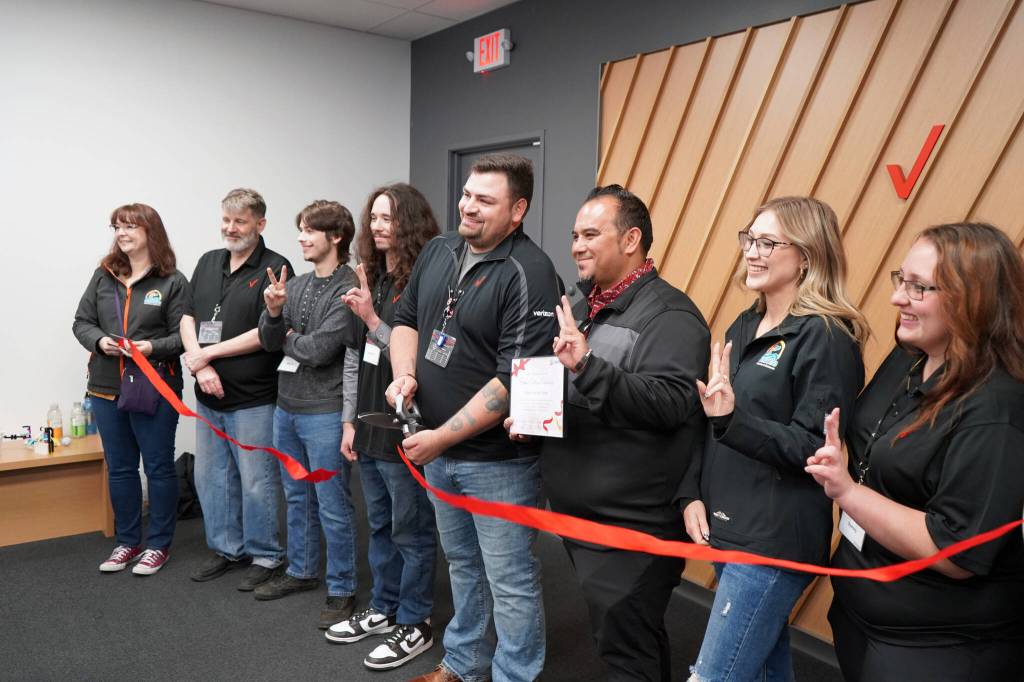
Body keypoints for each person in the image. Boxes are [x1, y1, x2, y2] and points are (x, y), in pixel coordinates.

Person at [806, 222, 1024, 681]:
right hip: (861, 610)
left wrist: (847, 491)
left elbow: (957, 552)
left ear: (972, 299)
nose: (897, 298)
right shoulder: (911, 355)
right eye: (900, 280)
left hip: (935, 643)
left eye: (919, 287)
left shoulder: (996, 406)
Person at [388, 153, 562, 682]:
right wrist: (403, 374)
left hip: (499, 463)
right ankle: (463, 662)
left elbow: (514, 381)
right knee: (463, 567)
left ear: (518, 210)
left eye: (485, 200)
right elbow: (406, 319)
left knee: (509, 579)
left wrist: (440, 438)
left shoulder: (530, 273)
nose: (468, 206)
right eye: (467, 194)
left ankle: (514, 674)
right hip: (440, 453)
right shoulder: (440, 249)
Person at [679, 196, 867, 682]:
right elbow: (712, 419)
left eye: (768, 242)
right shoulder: (745, 324)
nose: (752, 252)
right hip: (731, 525)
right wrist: (692, 494)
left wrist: (731, 420)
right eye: (750, 239)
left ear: (807, 255)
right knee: (761, 670)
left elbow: (812, 447)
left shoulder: (826, 337)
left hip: (773, 541)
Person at [530, 185, 710, 681]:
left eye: (591, 234)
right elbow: (583, 393)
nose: (577, 245)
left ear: (631, 240)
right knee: (621, 639)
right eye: (574, 235)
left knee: (627, 650)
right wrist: (534, 419)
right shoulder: (581, 303)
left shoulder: (671, 316)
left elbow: (671, 404)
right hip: (585, 517)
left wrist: (586, 364)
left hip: (632, 527)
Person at [327, 183, 440, 670]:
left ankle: (416, 620)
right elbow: (354, 358)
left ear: (409, 222)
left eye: (387, 217)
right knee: (378, 525)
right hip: (369, 425)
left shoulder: (425, 281)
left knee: (411, 529)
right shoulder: (370, 274)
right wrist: (348, 420)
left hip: (405, 427)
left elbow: (410, 351)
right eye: (373, 217)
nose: (376, 225)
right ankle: (385, 607)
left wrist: (372, 315)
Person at [255, 200, 361, 629]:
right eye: (300, 229)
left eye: (309, 230)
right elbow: (268, 340)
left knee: (332, 503)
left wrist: (288, 337)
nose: (300, 237)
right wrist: (276, 313)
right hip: (288, 407)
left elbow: (320, 351)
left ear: (335, 237)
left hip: (326, 410)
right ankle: (301, 571)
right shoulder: (293, 284)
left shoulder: (349, 286)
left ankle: (342, 587)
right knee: (295, 497)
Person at [180, 188, 291, 591]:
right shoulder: (209, 261)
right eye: (226, 220)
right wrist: (199, 360)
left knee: (256, 479)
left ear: (260, 224)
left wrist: (208, 358)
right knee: (212, 478)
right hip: (207, 395)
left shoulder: (276, 267)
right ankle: (228, 549)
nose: (230, 228)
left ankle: (266, 555)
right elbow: (187, 316)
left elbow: (267, 334)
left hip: (253, 398)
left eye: (240, 221)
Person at [73, 203, 190, 576]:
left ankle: (158, 545)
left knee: (157, 467)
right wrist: (100, 342)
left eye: (130, 227)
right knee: (121, 469)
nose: (122, 234)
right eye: (117, 227)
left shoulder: (172, 281)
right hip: (106, 387)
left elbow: (182, 338)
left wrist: (150, 348)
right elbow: (81, 322)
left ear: (150, 231)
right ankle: (126, 542)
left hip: (154, 387)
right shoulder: (103, 275)